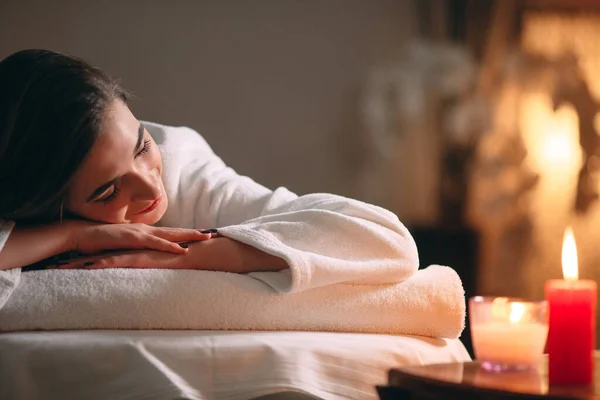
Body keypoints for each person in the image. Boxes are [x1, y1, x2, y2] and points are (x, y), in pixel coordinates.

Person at [0, 49, 418, 295]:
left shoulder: (182, 165)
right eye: (108, 193)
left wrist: (185, 257)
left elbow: (386, 239)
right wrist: (72, 235)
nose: (150, 187)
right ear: (46, 204)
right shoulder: (28, 203)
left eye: (142, 146)